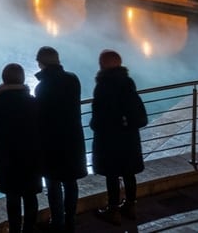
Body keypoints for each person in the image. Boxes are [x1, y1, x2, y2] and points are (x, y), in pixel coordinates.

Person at [0, 63, 41, 233]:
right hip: (32, 157)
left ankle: (14, 230)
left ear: (4, 80)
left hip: (7, 159)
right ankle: (30, 228)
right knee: (30, 196)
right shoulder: (33, 101)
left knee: (12, 198)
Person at [90, 49, 147, 225]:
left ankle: (113, 210)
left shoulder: (103, 85)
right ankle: (131, 207)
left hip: (110, 139)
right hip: (129, 138)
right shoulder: (128, 83)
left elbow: (100, 115)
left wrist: (95, 126)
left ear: (103, 64)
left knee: (112, 174)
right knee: (129, 173)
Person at [34, 46, 87, 233]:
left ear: (41, 63)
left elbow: (41, 116)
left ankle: (58, 222)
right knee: (71, 182)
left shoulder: (42, 86)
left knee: (53, 183)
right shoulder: (73, 79)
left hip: (51, 142)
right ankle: (70, 220)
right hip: (72, 138)